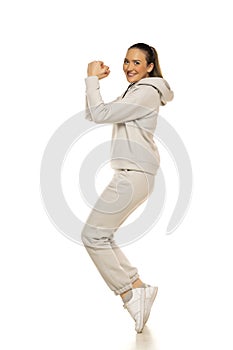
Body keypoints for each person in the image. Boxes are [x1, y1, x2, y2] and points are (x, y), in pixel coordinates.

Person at [81, 43, 174, 333]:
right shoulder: (136, 91)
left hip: (134, 173)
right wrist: (94, 85)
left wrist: (91, 79)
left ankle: (129, 294)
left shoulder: (146, 91)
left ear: (150, 66)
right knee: (101, 235)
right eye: (126, 61)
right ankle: (136, 286)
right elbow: (94, 113)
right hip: (132, 172)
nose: (129, 67)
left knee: (93, 235)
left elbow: (99, 114)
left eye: (136, 62)